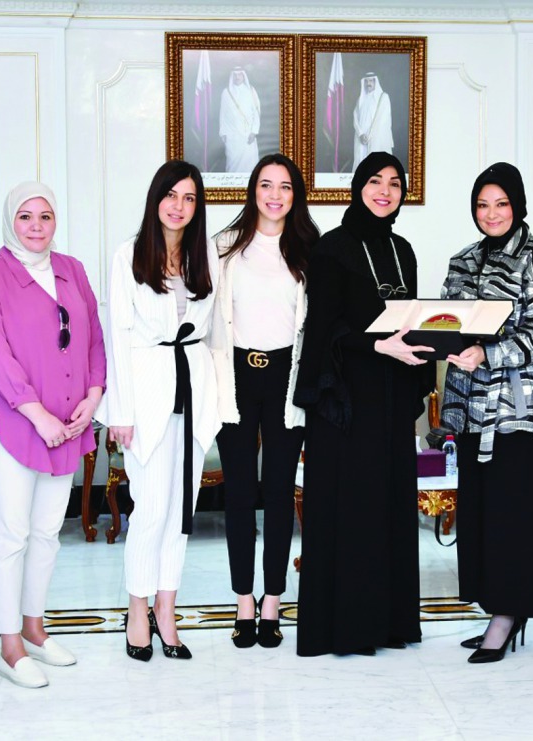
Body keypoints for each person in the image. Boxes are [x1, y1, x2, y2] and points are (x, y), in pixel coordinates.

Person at [0, 182, 106, 689]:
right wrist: (36, 414)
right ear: (10, 220)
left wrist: (93, 395)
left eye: (46, 216)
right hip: (15, 423)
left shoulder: (73, 269)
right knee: (10, 535)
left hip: (68, 423)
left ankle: (34, 629)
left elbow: (93, 336)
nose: (37, 225)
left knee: (48, 533)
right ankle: (8, 647)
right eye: (25, 216)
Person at [293, 151, 434, 657]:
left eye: (395, 183)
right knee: (351, 510)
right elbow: (326, 329)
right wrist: (379, 345)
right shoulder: (331, 249)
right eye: (375, 181)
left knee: (389, 506)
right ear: (358, 187)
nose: (385, 190)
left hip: (392, 399)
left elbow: (410, 318)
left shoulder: (405, 250)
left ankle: (391, 624)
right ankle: (346, 629)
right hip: (347, 403)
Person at [440, 163, 533, 663]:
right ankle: (494, 608)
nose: (491, 214)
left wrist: (488, 354)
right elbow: (446, 320)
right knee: (480, 517)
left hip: (516, 412)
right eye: (482, 205)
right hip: (470, 409)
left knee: (512, 516)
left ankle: (508, 617)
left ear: (518, 206)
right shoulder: (462, 259)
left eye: (501, 204)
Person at [100, 160, 220, 662]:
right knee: (149, 510)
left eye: (190, 198)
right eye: (172, 195)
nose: (179, 206)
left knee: (180, 513)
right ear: (156, 199)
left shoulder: (204, 254)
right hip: (146, 392)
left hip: (193, 390)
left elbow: (214, 334)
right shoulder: (129, 255)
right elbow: (117, 339)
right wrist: (120, 411)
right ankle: (137, 610)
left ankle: (167, 610)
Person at [212, 154, 318, 648]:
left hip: (285, 380)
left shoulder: (310, 251)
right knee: (237, 494)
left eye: (285, 188)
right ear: (252, 190)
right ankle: (243, 604)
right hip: (234, 377)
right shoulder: (223, 247)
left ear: (296, 196)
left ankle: (273, 602)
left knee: (278, 493)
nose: (274, 195)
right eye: (265, 185)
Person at [219, 67, 261, 172]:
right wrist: (223, 132)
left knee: (250, 165)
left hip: (248, 136)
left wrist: (254, 131)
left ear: (243, 76)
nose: (237, 77)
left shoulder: (251, 91)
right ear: (232, 76)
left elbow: (256, 112)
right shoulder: (226, 92)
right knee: (232, 166)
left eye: (240, 75)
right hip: (232, 137)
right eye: (235, 75)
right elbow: (222, 114)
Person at [352, 74, 393, 171]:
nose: (368, 83)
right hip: (361, 138)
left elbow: (382, 121)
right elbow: (355, 117)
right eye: (366, 81)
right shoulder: (361, 99)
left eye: (371, 81)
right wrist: (361, 134)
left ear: (376, 82)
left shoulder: (383, 98)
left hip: (376, 139)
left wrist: (369, 136)